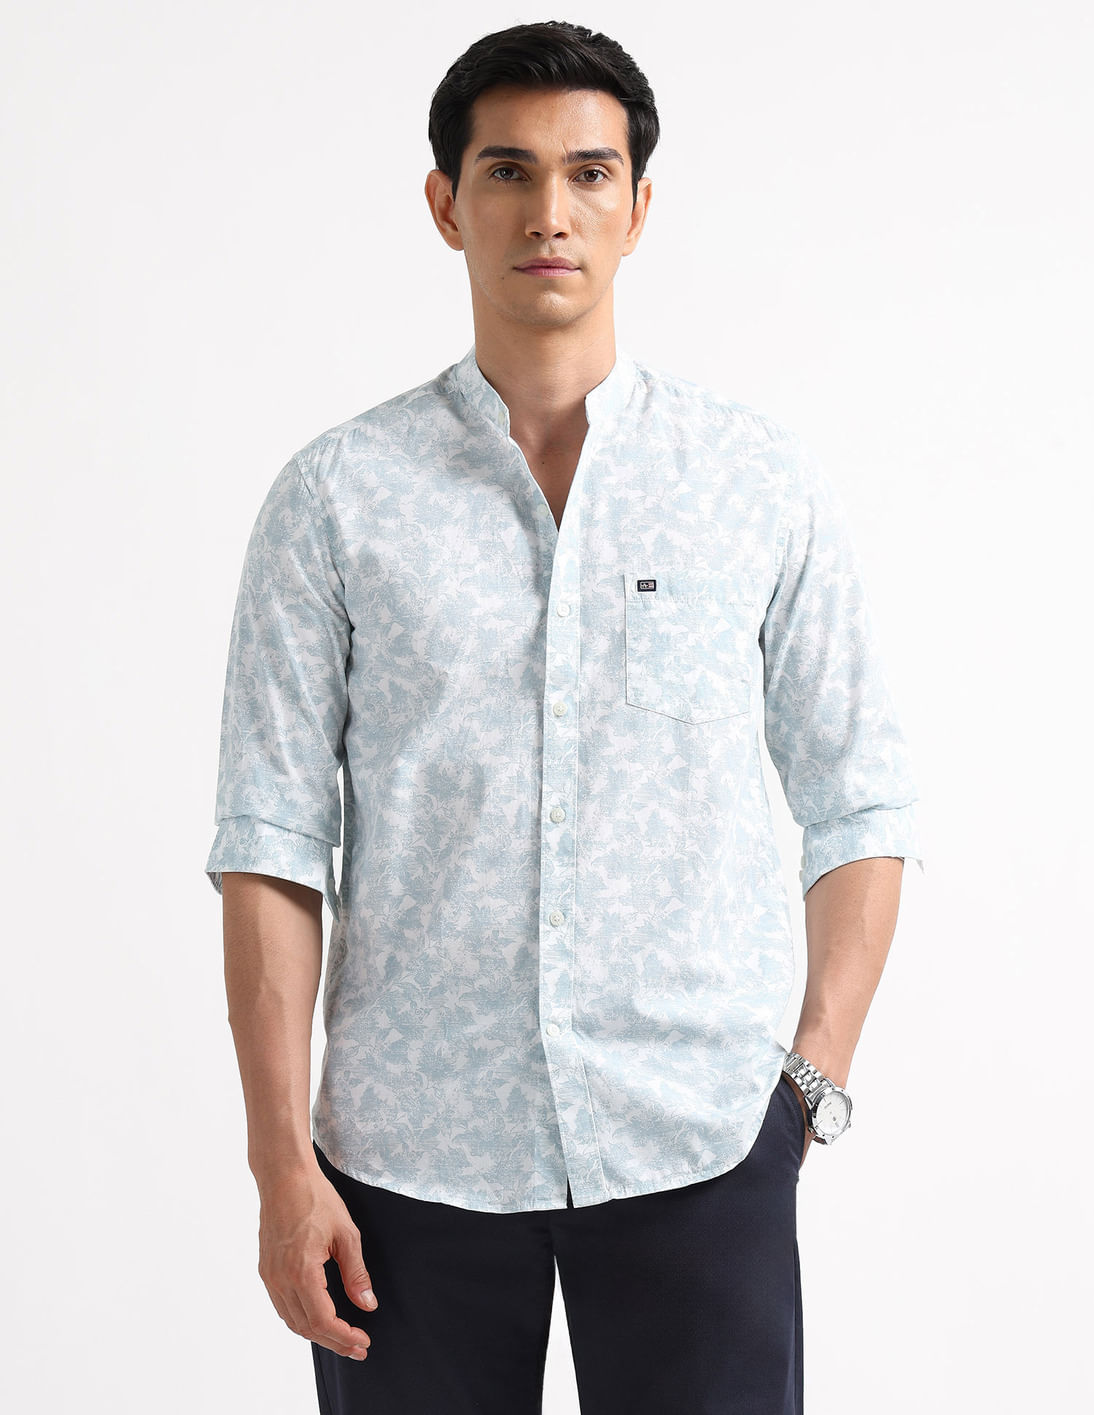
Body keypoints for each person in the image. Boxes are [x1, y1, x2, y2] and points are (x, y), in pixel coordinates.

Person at [204, 19, 925, 1414]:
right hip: (405, 1163)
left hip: (700, 1141)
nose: (551, 212)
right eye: (509, 171)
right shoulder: (337, 499)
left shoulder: (753, 483)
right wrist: (280, 1165)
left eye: (589, 174)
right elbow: (271, 847)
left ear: (638, 208)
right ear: (445, 203)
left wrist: (806, 1085)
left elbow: (861, 801)